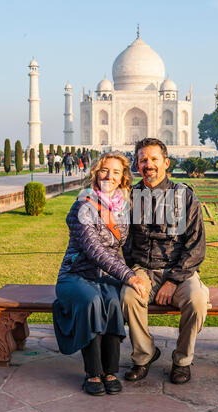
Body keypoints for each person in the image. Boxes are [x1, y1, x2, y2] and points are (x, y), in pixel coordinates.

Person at [53, 151, 146, 396]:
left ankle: (111, 371)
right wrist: (129, 276)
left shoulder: (122, 206)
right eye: (105, 170)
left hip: (105, 277)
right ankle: (93, 372)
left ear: (123, 177)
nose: (110, 176)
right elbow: (95, 251)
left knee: (114, 302)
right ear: (96, 173)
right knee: (92, 301)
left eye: (116, 172)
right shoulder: (83, 204)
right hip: (76, 276)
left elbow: (125, 247)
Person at [121, 138, 210, 385]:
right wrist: (130, 274)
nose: (148, 164)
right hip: (144, 270)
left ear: (166, 163)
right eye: (143, 160)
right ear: (137, 165)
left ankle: (182, 360)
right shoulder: (131, 197)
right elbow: (125, 243)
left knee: (197, 300)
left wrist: (172, 280)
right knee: (129, 297)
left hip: (179, 271)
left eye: (153, 159)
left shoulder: (184, 197)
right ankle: (144, 355)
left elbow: (195, 246)